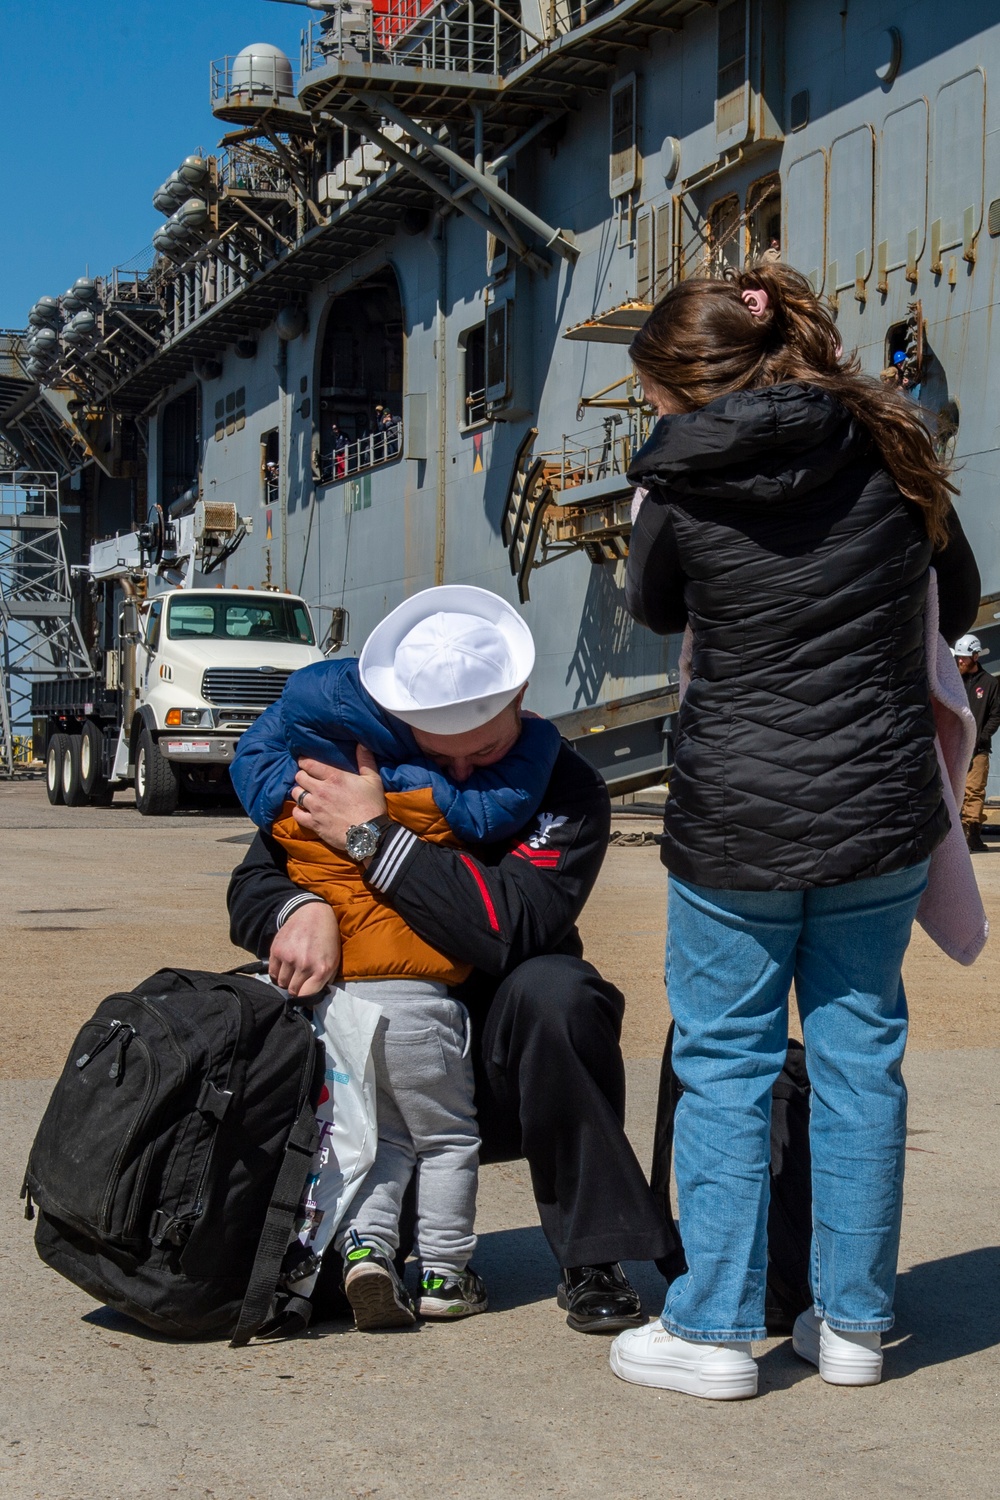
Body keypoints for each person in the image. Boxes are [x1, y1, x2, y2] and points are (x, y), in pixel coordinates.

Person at [611, 263, 980, 1400]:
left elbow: (653, 606)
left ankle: (716, 1331)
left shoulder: (678, 478)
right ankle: (856, 1325)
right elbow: (956, 601)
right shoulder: (898, 449)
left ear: (688, 380)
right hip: (876, 809)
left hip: (736, 818)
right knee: (862, 1060)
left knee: (726, 1062)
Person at [228, 592, 672, 1334]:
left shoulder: (566, 787)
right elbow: (256, 880)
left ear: (523, 701)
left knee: (561, 993)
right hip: (379, 1040)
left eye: (487, 752)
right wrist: (295, 909)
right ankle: (351, 1240)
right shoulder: (352, 760)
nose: (463, 768)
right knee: (339, 1281)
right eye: (440, 755)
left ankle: (594, 1254)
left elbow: (513, 925)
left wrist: (373, 838)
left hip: (505, 1047)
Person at [952, 633, 1000, 852]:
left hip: (978, 750)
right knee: (954, 790)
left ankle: (973, 836)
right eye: (958, 657)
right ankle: (955, 836)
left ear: (975, 656)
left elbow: (996, 715)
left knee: (974, 791)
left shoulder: (990, 684)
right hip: (954, 747)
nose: (960, 661)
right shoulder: (953, 681)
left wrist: (981, 737)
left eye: (964, 657)